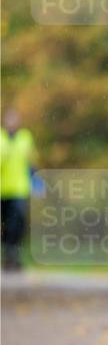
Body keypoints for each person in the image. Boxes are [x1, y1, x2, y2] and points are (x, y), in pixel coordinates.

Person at [1, 108, 36, 271]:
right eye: (9, 119)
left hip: (19, 188)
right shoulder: (0, 138)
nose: (11, 122)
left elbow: (31, 161)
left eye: (14, 119)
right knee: (5, 225)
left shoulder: (25, 137)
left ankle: (13, 254)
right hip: (2, 188)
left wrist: (36, 179)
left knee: (17, 223)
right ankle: (7, 254)